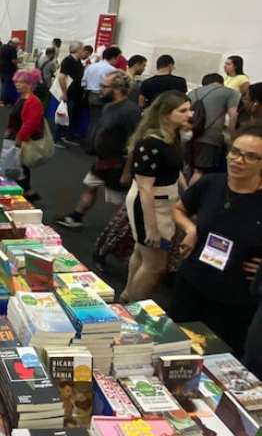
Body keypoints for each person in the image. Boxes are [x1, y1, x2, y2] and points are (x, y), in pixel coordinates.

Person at [170, 125, 262, 355]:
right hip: (191, 283)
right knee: (176, 347)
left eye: (250, 156)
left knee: (217, 358)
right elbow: (178, 209)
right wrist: (190, 228)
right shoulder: (211, 183)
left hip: (235, 299)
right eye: (235, 151)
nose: (238, 160)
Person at [121, 91, 192, 302]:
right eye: (183, 110)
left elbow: (174, 169)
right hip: (150, 204)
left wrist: (186, 192)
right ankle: (133, 308)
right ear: (165, 114)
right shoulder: (151, 143)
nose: (190, 114)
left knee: (142, 253)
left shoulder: (172, 136)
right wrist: (151, 227)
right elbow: (145, 189)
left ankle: (127, 295)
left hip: (164, 201)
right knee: (155, 264)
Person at [57, 71, 140, 229]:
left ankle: (121, 235)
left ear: (116, 89)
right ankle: (76, 217)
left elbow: (134, 143)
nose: (99, 89)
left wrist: (127, 172)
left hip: (118, 165)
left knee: (121, 203)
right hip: (103, 161)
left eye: (104, 86)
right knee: (90, 186)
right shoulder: (108, 106)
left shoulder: (131, 111)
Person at [186, 73, 240, 182]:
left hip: (188, 135)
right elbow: (233, 116)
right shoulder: (230, 93)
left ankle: (184, 194)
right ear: (221, 82)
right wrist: (234, 137)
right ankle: (190, 197)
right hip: (209, 138)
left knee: (187, 169)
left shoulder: (192, 92)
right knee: (199, 172)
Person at [5, 69, 46, 201]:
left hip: (22, 140)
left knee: (19, 166)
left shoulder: (33, 102)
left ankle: (25, 193)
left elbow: (30, 124)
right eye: (16, 81)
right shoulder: (23, 98)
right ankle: (27, 191)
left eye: (20, 82)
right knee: (19, 166)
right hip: (16, 138)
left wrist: (19, 139)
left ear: (29, 84)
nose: (17, 84)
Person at [82, 47, 118, 142]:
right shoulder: (112, 70)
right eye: (117, 58)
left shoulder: (91, 66)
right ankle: (93, 144)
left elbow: (83, 82)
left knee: (92, 120)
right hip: (103, 97)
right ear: (113, 58)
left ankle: (88, 142)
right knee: (100, 122)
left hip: (90, 95)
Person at [55, 41, 85, 147]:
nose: (84, 51)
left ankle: (66, 136)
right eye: (82, 49)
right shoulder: (68, 60)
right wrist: (64, 93)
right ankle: (57, 138)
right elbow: (61, 77)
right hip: (70, 93)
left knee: (70, 116)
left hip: (76, 93)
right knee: (63, 115)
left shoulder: (78, 61)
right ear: (77, 50)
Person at [0, 37, 19, 108]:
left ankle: (4, 100)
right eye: (17, 44)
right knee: (6, 86)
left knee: (4, 85)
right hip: (8, 70)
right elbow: (13, 61)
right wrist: (18, 62)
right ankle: (2, 101)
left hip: (1, 68)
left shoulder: (3, 47)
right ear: (14, 43)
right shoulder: (13, 49)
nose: (17, 46)